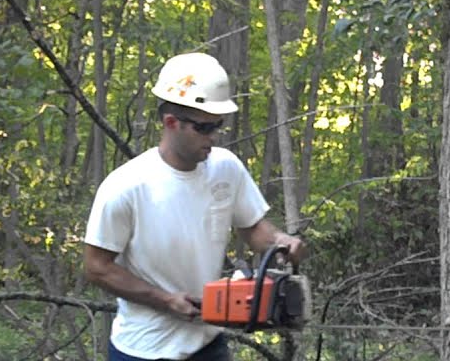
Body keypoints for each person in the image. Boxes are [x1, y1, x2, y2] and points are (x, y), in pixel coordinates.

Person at [84, 52, 307, 361]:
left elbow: (252, 226)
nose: (214, 137)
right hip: (143, 349)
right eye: (204, 128)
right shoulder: (126, 186)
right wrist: (165, 300)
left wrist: (280, 242)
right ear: (171, 122)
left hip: (208, 343)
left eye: (218, 126)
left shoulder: (226, 168)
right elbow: (97, 267)